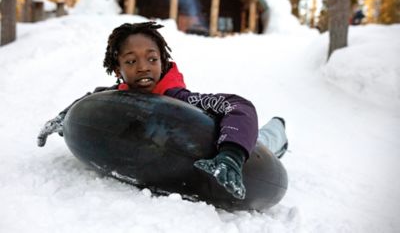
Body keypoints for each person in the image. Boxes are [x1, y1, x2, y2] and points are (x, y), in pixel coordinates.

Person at [37, 22, 288, 200]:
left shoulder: (181, 99)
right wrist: (64, 118)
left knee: (263, 142)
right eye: (131, 61)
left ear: (163, 61)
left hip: (234, 139)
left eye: (152, 59)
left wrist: (232, 154)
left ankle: (279, 128)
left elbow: (238, 106)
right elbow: (91, 98)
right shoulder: (114, 98)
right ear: (118, 69)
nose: (143, 68)